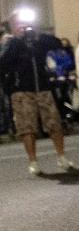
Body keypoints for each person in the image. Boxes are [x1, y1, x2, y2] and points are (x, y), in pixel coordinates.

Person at [0, 22, 73, 175]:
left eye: (27, 25)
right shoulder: (13, 44)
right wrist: (9, 87)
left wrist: (39, 34)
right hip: (22, 90)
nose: (25, 29)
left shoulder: (40, 42)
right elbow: (3, 64)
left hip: (43, 88)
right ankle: (33, 161)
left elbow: (58, 44)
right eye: (21, 26)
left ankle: (62, 157)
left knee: (54, 122)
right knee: (27, 126)